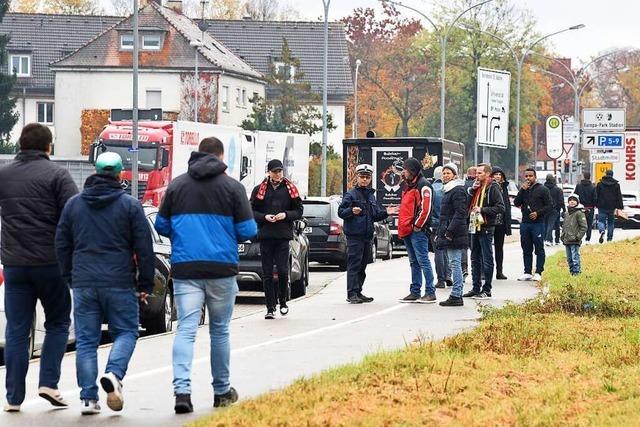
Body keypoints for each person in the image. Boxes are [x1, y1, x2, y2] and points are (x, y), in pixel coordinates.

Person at [155, 137, 257, 414]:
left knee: (186, 329)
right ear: (221, 157)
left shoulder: (176, 185)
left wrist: (185, 232)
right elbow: (248, 230)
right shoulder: (233, 187)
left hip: (187, 268)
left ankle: (182, 392)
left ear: (198, 154)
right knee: (220, 330)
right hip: (222, 269)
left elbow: (161, 224)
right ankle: (222, 391)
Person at [55, 152, 155, 415]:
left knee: (87, 340)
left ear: (95, 172)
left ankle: (88, 398)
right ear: (120, 174)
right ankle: (114, 373)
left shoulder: (74, 205)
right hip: (120, 281)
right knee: (127, 331)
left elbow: (62, 243)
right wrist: (145, 283)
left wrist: (69, 276)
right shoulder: (130, 206)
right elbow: (144, 247)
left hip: (84, 281)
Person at [0, 123, 78, 412]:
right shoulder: (57, 175)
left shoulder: (4, 174)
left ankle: (13, 398)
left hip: (15, 265)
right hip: (50, 263)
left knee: (17, 330)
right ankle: (48, 383)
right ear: (48, 147)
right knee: (58, 321)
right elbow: (74, 214)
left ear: (20, 145)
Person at [250, 159, 304, 319]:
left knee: (282, 270)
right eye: (275, 171)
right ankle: (270, 307)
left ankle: (283, 302)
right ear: (269, 172)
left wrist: (286, 215)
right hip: (266, 235)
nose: (278, 174)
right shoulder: (259, 190)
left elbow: (299, 210)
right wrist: (265, 217)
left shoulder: (290, 189)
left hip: (283, 236)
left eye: (280, 171)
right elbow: (251, 211)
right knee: (267, 273)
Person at [338, 164, 395, 304]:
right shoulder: (350, 194)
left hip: (367, 236)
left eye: (367, 177)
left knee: (363, 265)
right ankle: (351, 293)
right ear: (357, 177)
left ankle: (358, 291)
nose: (364, 180)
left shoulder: (371, 196)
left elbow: (374, 215)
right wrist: (351, 211)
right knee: (354, 265)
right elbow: (341, 212)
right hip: (354, 236)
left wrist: (386, 213)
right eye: (362, 177)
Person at [397, 158, 436, 303]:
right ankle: (415, 291)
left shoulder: (424, 186)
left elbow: (426, 209)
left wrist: (417, 226)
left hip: (418, 231)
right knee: (414, 262)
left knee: (423, 261)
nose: (403, 172)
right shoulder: (409, 185)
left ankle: (430, 292)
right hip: (408, 229)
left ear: (412, 170)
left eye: (405, 169)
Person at [463, 163, 505, 300]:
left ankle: (487, 289)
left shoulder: (493, 188)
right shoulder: (477, 187)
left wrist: (483, 210)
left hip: (486, 226)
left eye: (480, 173)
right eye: (476, 173)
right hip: (474, 226)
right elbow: (469, 205)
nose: (477, 175)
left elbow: (500, 207)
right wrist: (471, 191)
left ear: (488, 174)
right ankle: (476, 288)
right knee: (474, 257)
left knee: (487, 258)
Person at [435, 163, 469, 307]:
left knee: (455, 264)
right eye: (443, 173)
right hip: (449, 231)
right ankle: (456, 293)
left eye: (448, 173)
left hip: (454, 233)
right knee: (453, 263)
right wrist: (440, 232)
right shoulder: (448, 190)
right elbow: (445, 215)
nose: (445, 175)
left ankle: (456, 294)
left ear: (455, 175)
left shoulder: (457, 190)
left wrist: (449, 231)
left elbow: (460, 213)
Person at [513, 168, 552, 282]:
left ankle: (539, 271)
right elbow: (516, 203)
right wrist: (521, 191)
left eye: (530, 176)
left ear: (535, 176)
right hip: (525, 223)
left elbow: (549, 205)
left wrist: (538, 213)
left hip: (538, 223)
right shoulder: (524, 190)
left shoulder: (543, 189)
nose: (528, 178)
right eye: (526, 176)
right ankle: (527, 272)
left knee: (539, 248)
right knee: (526, 248)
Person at [431, 166, 452, 289]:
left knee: (438, 252)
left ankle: (440, 279)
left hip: (435, 225)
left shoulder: (432, 189)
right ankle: (448, 274)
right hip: (448, 224)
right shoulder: (449, 189)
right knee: (448, 252)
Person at [491, 167, 512, 280]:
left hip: (501, 223)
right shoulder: (490, 187)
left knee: (499, 248)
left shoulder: (504, 188)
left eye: (500, 174)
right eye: (495, 174)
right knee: (487, 248)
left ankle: (499, 271)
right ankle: (486, 271)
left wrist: (507, 225)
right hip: (490, 222)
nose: (498, 176)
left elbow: (507, 207)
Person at [561, 194, 588, 276]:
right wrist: (562, 236)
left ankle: (577, 273)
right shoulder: (566, 213)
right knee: (569, 258)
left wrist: (578, 237)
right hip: (567, 239)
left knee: (575, 257)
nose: (572, 201)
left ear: (577, 202)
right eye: (570, 200)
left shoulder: (579, 213)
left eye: (574, 200)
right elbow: (564, 226)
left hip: (575, 240)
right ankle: (571, 272)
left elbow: (584, 227)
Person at [595, 169, 623, 243]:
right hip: (612, 207)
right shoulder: (616, 185)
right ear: (612, 175)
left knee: (601, 221)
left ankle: (602, 230)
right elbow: (619, 196)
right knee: (611, 223)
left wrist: (596, 204)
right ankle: (609, 239)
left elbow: (596, 195)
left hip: (602, 206)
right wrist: (620, 207)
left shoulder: (600, 184)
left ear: (605, 174)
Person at [461, 166, 477, 279]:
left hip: (462, 218)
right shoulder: (478, 186)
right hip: (475, 218)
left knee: (463, 246)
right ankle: (477, 270)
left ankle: (464, 268)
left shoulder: (461, 185)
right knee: (475, 245)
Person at [573, 172, 597, 243]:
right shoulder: (593, 187)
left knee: (579, 223)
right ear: (589, 177)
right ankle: (588, 239)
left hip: (580, 208)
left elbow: (575, 196)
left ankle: (578, 237)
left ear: (583, 177)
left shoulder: (578, 186)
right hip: (590, 208)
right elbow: (595, 198)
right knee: (589, 224)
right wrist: (594, 206)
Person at [543, 174, 564, 246]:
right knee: (555, 224)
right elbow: (561, 201)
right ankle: (556, 239)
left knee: (546, 224)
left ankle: (548, 239)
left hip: (545, 209)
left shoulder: (543, 188)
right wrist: (563, 209)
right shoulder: (558, 189)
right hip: (555, 209)